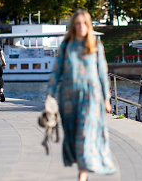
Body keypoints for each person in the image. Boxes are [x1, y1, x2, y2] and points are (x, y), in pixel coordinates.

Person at [48, 10, 115, 181]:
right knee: (74, 135)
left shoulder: (96, 46)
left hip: (91, 97)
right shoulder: (66, 46)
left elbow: (102, 74)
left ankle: (82, 175)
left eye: (84, 23)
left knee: (85, 133)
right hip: (69, 98)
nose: (81, 27)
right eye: (77, 23)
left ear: (89, 25)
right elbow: (57, 72)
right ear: (73, 26)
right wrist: (50, 94)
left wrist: (107, 98)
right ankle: (83, 168)